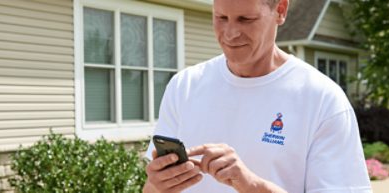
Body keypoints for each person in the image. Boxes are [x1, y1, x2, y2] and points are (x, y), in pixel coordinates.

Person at [143, 0, 372, 192]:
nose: (231, 33)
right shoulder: (184, 86)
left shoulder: (322, 99)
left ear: (280, 10)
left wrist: (250, 184)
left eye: (246, 19)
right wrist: (156, 186)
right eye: (221, 18)